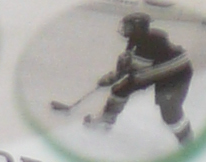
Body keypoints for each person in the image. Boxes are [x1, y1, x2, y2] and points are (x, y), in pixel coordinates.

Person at [84, 10, 196, 147]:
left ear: (137, 28)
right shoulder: (138, 39)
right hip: (155, 70)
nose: (124, 29)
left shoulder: (149, 43)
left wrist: (113, 77)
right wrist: (118, 74)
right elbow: (133, 68)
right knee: (120, 89)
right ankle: (107, 119)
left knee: (169, 111)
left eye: (128, 26)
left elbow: (136, 72)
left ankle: (188, 141)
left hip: (176, 75)